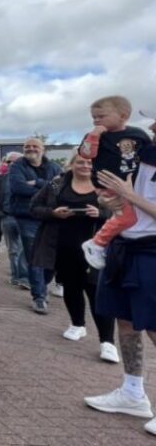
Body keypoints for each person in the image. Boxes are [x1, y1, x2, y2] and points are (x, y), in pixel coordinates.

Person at [83, 115, 156, 436]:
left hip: (152, 252)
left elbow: (137, 200)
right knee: (125, 322)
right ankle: (132, 393)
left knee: (153, 325)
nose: (151, 128)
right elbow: (119, 203)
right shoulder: (142, 156)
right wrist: (109, 201)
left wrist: (131, 196)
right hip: (123, 248)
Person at [29, 153, 117, 362]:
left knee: (96, 291)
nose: (85, 165)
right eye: (80, 162)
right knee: (71, 286)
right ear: (72, 164)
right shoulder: (56, 184)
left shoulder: (106, 185)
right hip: (62, 244)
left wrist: (101, 214)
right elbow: (34, 207)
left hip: (96, 247)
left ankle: (107, 342)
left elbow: (123, 213)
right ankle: (77, 324)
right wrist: (53, 212)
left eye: (89, 162)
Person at [79, 96, 152, 268]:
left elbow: (148, 153)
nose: (96, 121)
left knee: (128, 216)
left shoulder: (138, 134)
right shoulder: (95, 136)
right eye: (94, 117)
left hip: (130, 185)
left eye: (101, 116)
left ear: (123, 116)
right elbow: (86, 154)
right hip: (108, 183)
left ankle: (102, 244)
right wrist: (94, 135)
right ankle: (97, 243)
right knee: (127, 218)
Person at [8, 137, 63, 313]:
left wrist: (37, 183)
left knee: (53, 258)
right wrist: (48, 188)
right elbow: (19, 188)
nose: (30, 148)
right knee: (34, 257)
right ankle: (39, 297)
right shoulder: (17, 166)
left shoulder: (55, 167)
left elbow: (61, 188)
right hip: (27, 217)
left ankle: (42, 285)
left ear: (43, 149)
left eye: (35, 146)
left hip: (51, 216)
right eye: (27, 146)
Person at [0, 152, 29, 288]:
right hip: (7, 217)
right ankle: (16, 276)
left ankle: (25, 278)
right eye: (8, 162)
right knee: (13, 249)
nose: (11, 164)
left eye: (15, 161)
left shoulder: (31, 177)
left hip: (26, 219)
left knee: (26, 248)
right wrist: (0, 213)